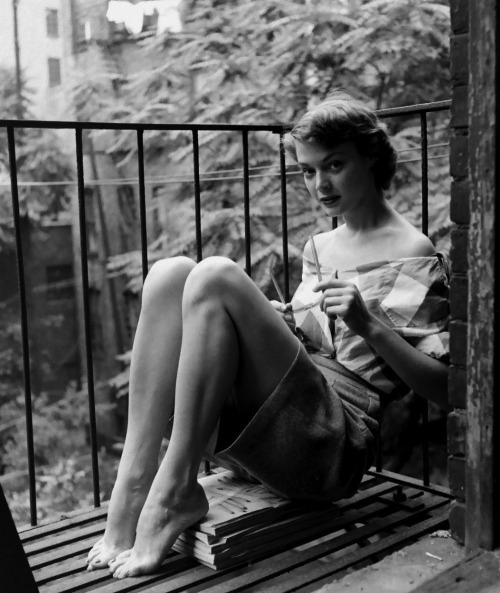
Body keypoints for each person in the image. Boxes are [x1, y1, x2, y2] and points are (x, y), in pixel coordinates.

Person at [86, 91, 450, 579]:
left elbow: (445, 389)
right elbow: (314, 348)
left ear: (371, 158)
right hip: (279, 428)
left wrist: (371, 326)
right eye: (307, 170)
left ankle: (173, 492)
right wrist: (284, 325)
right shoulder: (319, 246)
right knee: (171, 274)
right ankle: (132, 484)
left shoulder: (414, 251)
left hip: (332, 443)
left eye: (334, 165)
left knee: (215, 274)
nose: (319, 183)